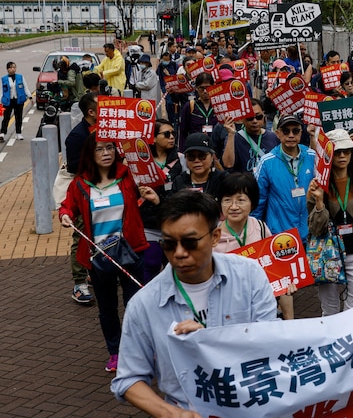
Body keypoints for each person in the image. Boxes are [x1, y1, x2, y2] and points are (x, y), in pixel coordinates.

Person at [110, 190, 278, 418]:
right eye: (168, 244)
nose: (179, 254)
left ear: (214, 237)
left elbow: (270, 348)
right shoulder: (144, 304)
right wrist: (171, 416)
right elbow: (128, 379)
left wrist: (212, 342)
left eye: (190, 242)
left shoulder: (249, 275)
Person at [58, 133, 151, 372]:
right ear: (91, 154)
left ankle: (138, 351)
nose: (106, 153)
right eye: (99, 149)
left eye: (109, 148)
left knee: (135, 306)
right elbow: (68, 205)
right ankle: (116, 352)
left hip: (132, 252)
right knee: (107, 308)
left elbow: (154, 179)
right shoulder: (79, 184)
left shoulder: (128, 176)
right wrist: (65, 215)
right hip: (100, 256)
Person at [307, 129, 353, 315]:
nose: (342, 156)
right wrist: (318, 202)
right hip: (326, 255)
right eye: (337, 151)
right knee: (329, 310)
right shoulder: (318, 185)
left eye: (346, 151)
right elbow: (315, 229)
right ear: (328, 154)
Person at [215, 172, 298, 319]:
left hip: (262, 308)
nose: (234, 206)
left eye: (241, 200)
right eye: (227, 200)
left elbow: (277, 272)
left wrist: (290, 323)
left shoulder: (260, 227)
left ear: (252, 203)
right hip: (229, 311)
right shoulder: (213, 238)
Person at [252, 114, 316, 240]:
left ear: (301, 133)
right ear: (277, 133)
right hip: (281, 237)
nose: (291, 135)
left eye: (295, 131)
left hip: (311, 234)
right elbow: (258, 201)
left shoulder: (312, 156)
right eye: (286, 131)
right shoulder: (266, 162)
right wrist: (254, 234)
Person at [136, 119, 186, 283]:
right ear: (153, 138)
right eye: (166, 134)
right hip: (148, 223)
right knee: (151, 264)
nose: (172, 137)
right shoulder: (140, 161)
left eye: (173, 133)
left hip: (174, 223)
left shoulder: (181, 159)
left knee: (174, 267)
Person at [64, 92, 98, 304]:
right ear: (91, 112)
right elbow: (73, 166)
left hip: (106, 190)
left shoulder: (107, 130)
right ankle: (79, 283)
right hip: (85, 193)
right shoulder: (77, 136)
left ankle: (98, 270)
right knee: (81, 234)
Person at [222, 99, 279, 173]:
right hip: (245, 183)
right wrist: (230, 134)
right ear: (242, 118)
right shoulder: (234, 138)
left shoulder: (273, 137)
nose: (255, 121)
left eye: (259, 117)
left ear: (264, 115)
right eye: (250, 118)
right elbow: (228, 164)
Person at [172, 133, 227, 197]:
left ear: (212, 157)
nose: (197, 160)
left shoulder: (223, 179)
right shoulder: (179, 181)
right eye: (191, 157)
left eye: (202, 156)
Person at [177, 72, 219, 152]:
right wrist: (182, 153)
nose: (205, 91)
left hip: (215, 149)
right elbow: (183, 132)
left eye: (208, 87)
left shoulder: (219, 105)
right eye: (202, 88)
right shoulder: (190, 106)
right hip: (195, 149)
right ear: (196, 88)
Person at [1, 61, 32, 142]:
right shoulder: (4, 79)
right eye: (11, 67)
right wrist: (1, 101)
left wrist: (30, 97)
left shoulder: (20, 77)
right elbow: (2, 91)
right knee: (6, 117)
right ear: (8, 69)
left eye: (14, 67)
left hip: (18, 100)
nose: (13, 69)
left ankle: (18, 133)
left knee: (18, 117)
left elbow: (25, 87)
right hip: (8, 101)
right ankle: (2, 133)